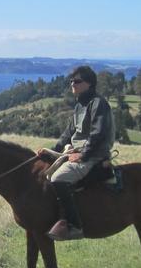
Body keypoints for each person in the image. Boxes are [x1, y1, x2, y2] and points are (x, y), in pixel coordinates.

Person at [44, 65, 115, 241]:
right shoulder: (79, 105)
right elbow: (68, 134)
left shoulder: (98, 103)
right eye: (71, 81)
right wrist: (52, 152)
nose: (72, 84)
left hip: (93, 155)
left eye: (77, 81)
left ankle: (74, 226)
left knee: (57, 179)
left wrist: (82, 155)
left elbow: (97, 134)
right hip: (76, 152)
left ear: (89, 83)